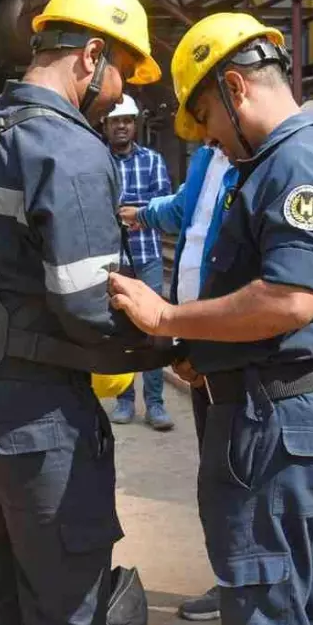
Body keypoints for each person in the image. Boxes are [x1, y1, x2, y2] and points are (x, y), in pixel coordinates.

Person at [108, 12, 313, 625]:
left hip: (274, 423)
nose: (214, 142)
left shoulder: (293, 163)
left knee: (263, 622)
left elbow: (287, 299)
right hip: (300, 409)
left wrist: (169, 317)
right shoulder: (299, 157)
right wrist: (205, 346)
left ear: (235, 88)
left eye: (209, 123)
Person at [0, 0, 161, 625]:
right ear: (91, 55)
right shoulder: (68, 147)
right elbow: (88, 305)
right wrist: (165, 341)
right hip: (37, 421)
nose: (119, 95)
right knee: (64, 612)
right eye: (120, 74)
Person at [120, 140, 237, 622]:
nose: (199, 129)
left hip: (233, 348)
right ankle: (233, 584)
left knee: (239, 475)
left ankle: (252, 602)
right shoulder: (210, 158)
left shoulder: (262, 161)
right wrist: (142, 215)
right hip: (201, 340)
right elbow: (184, 209)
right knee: (217, 475)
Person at [103, 94, 174, 430]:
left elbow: (161, 207)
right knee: (121, 330)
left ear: (135, 124)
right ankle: (125, 400)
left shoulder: (153, 161)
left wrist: (135, 211)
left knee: (154, 329)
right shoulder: (97, 160)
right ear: (105, 124)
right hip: (113, 259)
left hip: (146, 256)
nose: (121, 126)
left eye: (127, 120)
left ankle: (156, 404)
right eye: (115, 120)